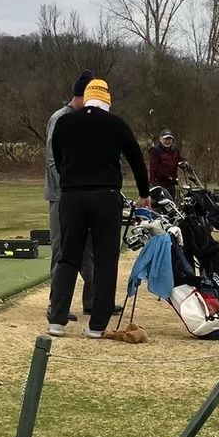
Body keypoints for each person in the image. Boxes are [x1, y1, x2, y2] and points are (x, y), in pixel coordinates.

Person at [48, 79, 150, 338]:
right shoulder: (116, 124)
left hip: (72, 197)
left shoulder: (64, 122)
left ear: (86, 97)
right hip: (106, 197)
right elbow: (136, 158)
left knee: (68, 257)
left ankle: (57, 320)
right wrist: (143, 193)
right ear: (107, 100)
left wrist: (72, 181)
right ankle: (97, 325)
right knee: (105, 259)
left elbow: (58, 159)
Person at [44, 73, 95, 322]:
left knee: (88, 251)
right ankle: (56, 303)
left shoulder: (83, 119)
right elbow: (53, 160)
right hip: (61, 195)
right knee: (62, 248)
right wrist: (66, 190)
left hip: (80, 195)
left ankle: (94, 300)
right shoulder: (60, 119)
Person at [148, 129, 183, 194]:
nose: (167, 141)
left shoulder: (175, 150)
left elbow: (180, 159)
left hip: (171, 184)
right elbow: (156, 168)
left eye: (169, 139)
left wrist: (185, 164)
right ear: (160, 139)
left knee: (172, 202)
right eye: (165, 139)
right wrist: (169, 177)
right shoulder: (155, 150)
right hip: (158, 184)